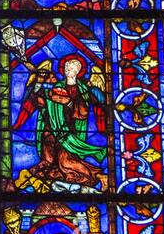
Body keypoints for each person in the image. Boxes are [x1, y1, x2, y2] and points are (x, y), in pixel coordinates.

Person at [24, 53, 106, 190]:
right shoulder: (56, 85)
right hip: (53, 127)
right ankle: (49, 172)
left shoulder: (83, 89)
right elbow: (41, 102)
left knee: (66, 162)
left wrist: (68, 103)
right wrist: (38, 83)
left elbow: (83, 113)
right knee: (49, 153)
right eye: (68, 66)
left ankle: (98, 176)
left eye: (73, 67)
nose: (69, 69)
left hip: (71, 132)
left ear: (79, 71)